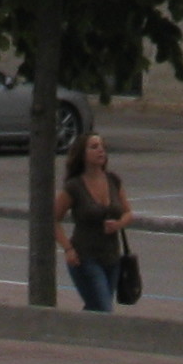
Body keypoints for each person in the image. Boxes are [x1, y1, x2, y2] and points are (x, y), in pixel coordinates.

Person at [56, 131, 132, 312]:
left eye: (102, 147)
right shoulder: (74, 186)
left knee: (95, 309)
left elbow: (128, 212)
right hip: (85, 258)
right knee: (104, 310)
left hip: (112, 258)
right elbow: (53, 219)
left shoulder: (113, 180)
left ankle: (78, 337)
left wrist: (119, 224)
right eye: (94, 147)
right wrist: (68, 249)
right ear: (82, 154)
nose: (101, 151)